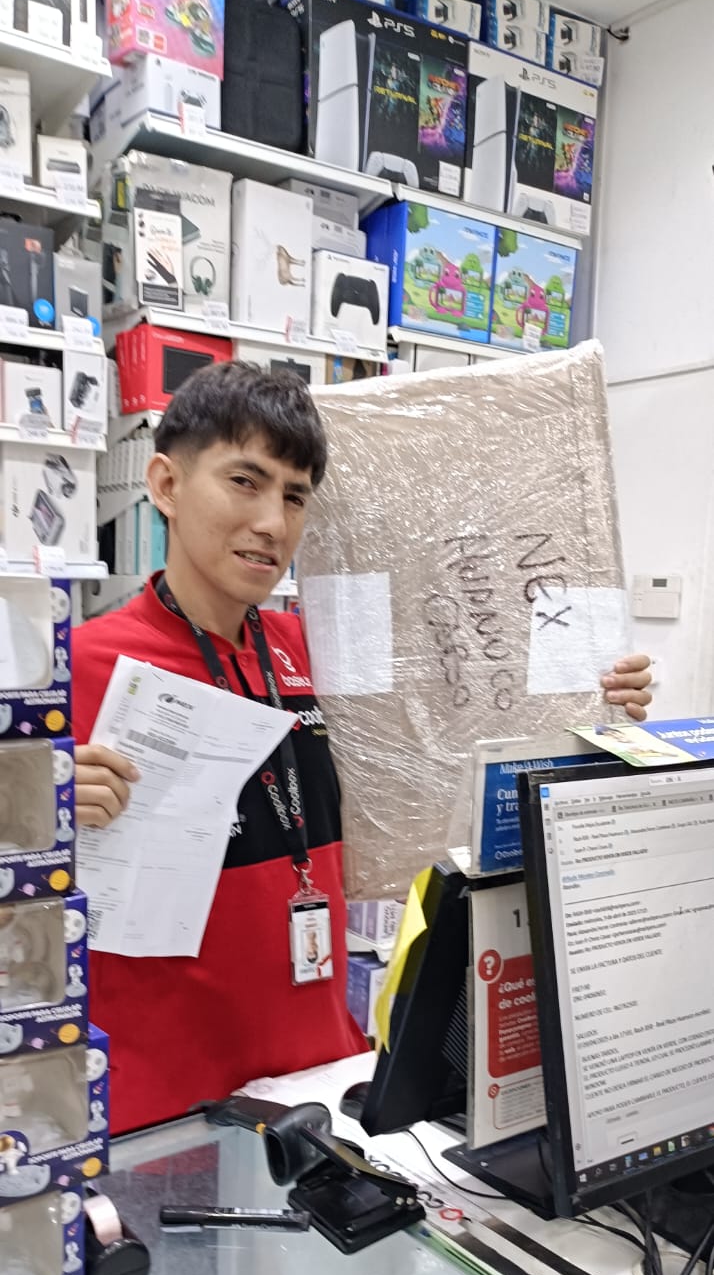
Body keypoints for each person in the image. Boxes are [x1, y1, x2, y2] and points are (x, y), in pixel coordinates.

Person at [73, 362, 653, 1134]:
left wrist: (594, 704)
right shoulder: (80, 669)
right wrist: (36, 814)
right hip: (163, 1108)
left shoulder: (320, 651)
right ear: (166, 485)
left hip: (323, 1080)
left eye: (294, 496)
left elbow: (471, 722)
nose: (272, 522)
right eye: (245, 481)